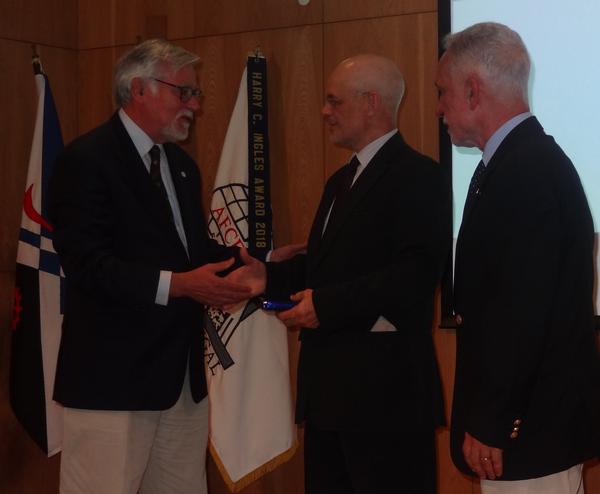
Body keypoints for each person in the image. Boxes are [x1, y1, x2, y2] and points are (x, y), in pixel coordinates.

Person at [232, 54, 451, 493]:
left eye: (334, 101)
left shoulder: (419, 176)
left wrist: (324, 306)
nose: (324, 111)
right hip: (330, 395)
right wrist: (267, 278)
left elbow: (414, 277)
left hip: (386, 400)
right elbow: (325, 266)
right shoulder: (339, 181)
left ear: (371, 103)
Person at [48, 39, 256, 494]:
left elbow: (189, 254)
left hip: (179, 380)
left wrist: (252, 263)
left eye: (196, 94)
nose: (195, 106)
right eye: (184, 92)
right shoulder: (86, 161)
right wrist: (178, 285)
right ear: (138, 89)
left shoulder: (180, 165)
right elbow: (87, 264)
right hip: (112, 381)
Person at [436, 22, 600, 493]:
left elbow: (523, 315)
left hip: (528, 432)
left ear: (472, 91)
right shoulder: (511, 164)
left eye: (443, 91)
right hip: (524, 429)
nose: (439, 107)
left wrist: (494, 421)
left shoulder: (527, 171)